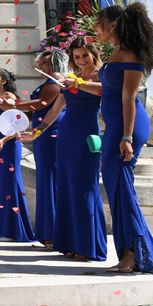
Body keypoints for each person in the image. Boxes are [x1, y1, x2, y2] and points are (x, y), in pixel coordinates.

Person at [64, 3, 153, 273]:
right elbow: (106, 93)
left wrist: (126, 136)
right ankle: (137, 252)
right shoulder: (117, 54)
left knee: (121, 189)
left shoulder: (130, 55)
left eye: (99, 23)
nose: (95, 28)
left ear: (113, 25)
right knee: (117, 188)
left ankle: (133, 256)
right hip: (115, 127)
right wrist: (80, 83)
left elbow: (129, 97)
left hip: (126, 128)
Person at [22, 39, 107, 262]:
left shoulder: (101, 75)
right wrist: (37, 132)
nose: (81, 61)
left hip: (87, 135)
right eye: (76, 57)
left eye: (84, 56)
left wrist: (78, 84)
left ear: (93, 54)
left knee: (85, 188)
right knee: (67, 188)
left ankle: (89, 245)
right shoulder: (71, 80)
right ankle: (70, 243)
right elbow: (54, 110)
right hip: (66, 137)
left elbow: (105, 91)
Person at [0, 50, 66, 247]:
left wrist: (15, 106)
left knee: (50, 179)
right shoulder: (49, 81)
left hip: (51, 132)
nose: (41, 65)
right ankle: (48, 233)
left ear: (53, 62)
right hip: (42, 132)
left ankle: (54, 233)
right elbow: (37, 112)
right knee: (46, 179)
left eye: (44, 62)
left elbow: (42, 103)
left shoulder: (55, 79)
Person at [0, 67, 36, 242]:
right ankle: (3, 229)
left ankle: (15, 230)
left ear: (4, 81)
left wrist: (4, 140)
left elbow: (19, 126)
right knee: (0, 185)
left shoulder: (10, 99)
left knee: (10, 184)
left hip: (9, 145)